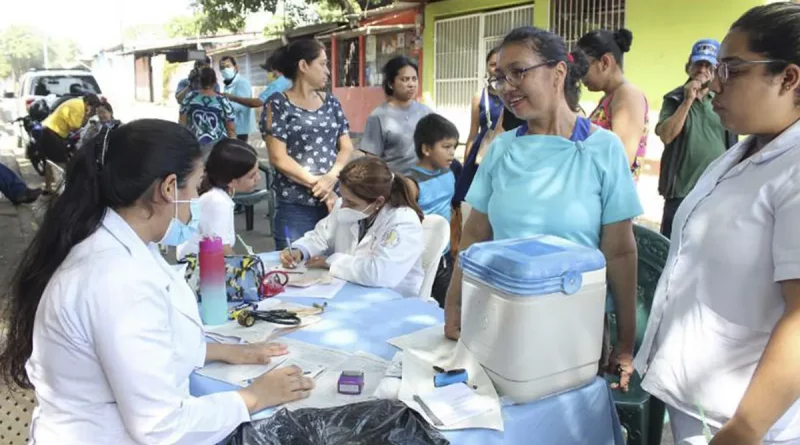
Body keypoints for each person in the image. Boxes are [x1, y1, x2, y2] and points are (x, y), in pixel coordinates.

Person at [0, 119, 315, 444]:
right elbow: (161, 426)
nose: (196, 199)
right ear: (167, 189)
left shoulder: (122, 244)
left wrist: (218, 351)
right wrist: (253, 397)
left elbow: (144, 347)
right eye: (193, 187)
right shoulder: (117, 279)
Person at [634, 4, 800, 444]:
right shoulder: (741, 153)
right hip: (699, 404)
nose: (713, 84)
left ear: (788, 78)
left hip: (745, 420)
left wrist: (746, 429)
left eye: (731, 69)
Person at [443, 26, 642, 392]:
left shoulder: (603, 149)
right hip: (501, 318)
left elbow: (620, 250)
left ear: (559, 72)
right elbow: (474, 237)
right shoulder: (502, 150)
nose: (507, 87)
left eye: (519, 72)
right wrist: (453, 306)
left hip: (574, 327)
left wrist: (626, 342)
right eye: (500, 77)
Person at [280, 157, 424, 298]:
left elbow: (380, 274)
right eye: (343, 197)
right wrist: (300, 250)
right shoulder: (347, 206)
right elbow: (321, 235)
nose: (343, 206)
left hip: (393, 299)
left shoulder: (402, 221)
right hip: (350, 291)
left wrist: (331, 261)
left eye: (351, 202)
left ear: (378, 202)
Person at [261, 39, 355, 250]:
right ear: (303, 66)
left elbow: (346, 146)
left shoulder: (331, 102)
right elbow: (278, 157)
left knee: (335, 269)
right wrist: (320, 186)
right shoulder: (277, 103)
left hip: (336, 202)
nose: (328, 71)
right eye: (322, 64)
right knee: (295, 272)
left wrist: (332, 177)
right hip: (295, 208)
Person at [656, 39, 738, 237]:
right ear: (688, 67)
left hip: (715, 190)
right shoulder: (674, 99)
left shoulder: (725, 101)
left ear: (717, 70)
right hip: (680, 191)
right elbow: (666, 136)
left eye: (708, 65)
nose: (702, 69)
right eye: (698, 64)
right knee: (671, 246)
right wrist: (687, 100)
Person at [577, 28, 649, 179]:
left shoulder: (627, 95)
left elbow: (620, 161)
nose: (579, 75)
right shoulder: (610, 98)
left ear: (604, 62)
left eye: (583, 67)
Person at [407, 113, 459, 307]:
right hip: (420, 260)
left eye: (454, 147)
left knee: (450, 307)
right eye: (446, 147)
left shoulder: (449, 172)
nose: (452, 152)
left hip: (445, 256)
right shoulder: (411, 183)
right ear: (426, 148)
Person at [177, 139, 260, 259]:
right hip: (200, 269)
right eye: (252, 176)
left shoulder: (214, 194)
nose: (259, 178)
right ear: (232, 181)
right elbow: (222, 249)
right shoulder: (218, 202)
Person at [360, 56, 432, 174]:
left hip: (425, 184)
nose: (411, 84)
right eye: (405, 79)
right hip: (395, 186)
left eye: (414, 79)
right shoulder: (378, 117)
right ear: (390, 84)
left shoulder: (426, 112)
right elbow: (372, 162)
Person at [39, 93, 101, 191]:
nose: (93, 112)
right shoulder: (79, 108)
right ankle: (63, 190)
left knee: (50, 162)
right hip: (53, 132)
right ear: (89, 104)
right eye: (93, 109)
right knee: (61, 163)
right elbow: (75, 127)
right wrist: (87, 116)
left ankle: (48, 187)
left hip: (49, 130)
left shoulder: (77, 103)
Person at [179, 67, 237, 146]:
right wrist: (233, 148)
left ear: (200, 81)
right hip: (217, 148)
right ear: (215, 81)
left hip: (194, 145)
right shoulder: (222, 100)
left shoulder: (190, 97)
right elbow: (231, 130)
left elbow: (182, 125)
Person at [225, 49, 294, 110]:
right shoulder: (291, 80)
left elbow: (257, 102)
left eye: (271, 70)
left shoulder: (280, 83)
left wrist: (233, 98)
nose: (271, 75)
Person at [219, 56, 257, 142]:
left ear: (236, 68)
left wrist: (221, 106)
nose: (225, 69)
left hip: (240, 127)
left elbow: (242, 105)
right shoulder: (228, 83)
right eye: (222, 67)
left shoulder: (242, 83)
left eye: (228, 66)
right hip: (232, 125)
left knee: (239, 151)